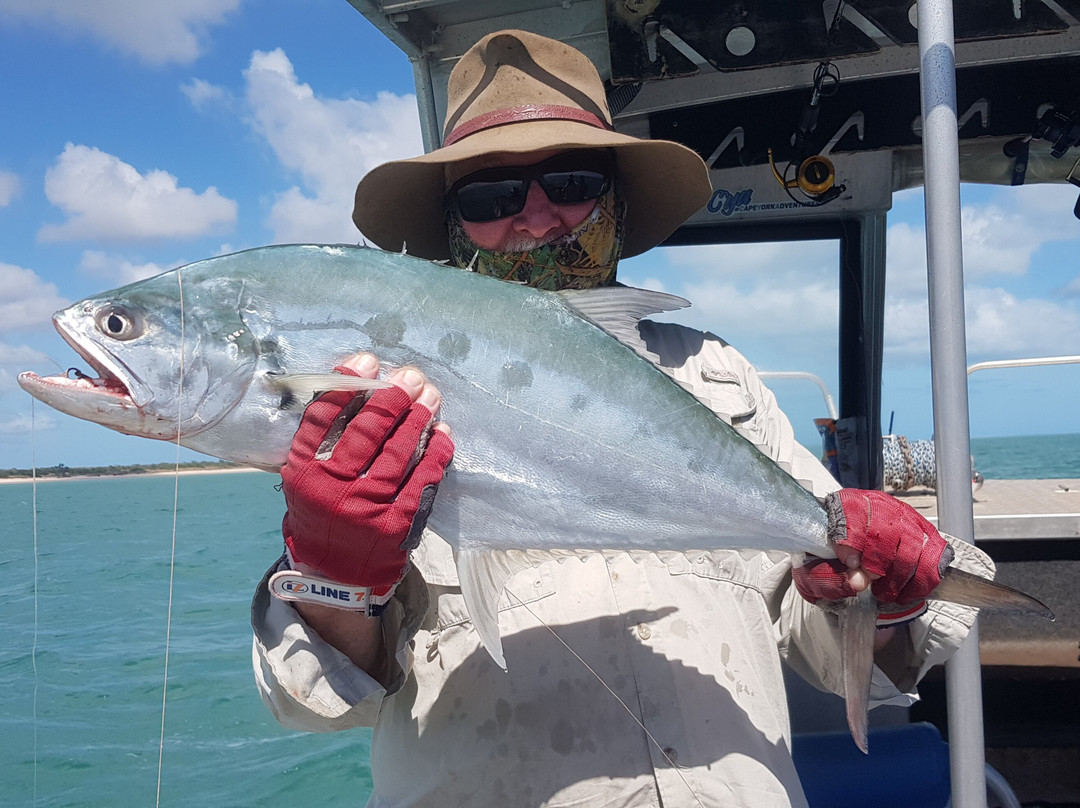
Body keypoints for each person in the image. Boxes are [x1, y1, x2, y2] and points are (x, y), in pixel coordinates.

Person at [251, 30, 993, 807]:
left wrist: (877, 597)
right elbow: (317, 700)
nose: (537, 218)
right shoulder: (377, 400)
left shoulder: (716, 378)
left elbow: (820, 640)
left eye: (570, 182)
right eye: (491, 197)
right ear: (450, 227)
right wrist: (334, 580)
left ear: (617, 199)